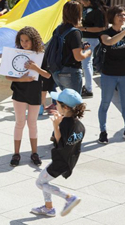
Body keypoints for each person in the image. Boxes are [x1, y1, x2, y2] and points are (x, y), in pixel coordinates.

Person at [31, 88, 85, 217]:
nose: (55, 104)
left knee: (40, 183)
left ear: (65, 107)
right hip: (68, 160)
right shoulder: (80, 125)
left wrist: (56, 126)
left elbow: (59, 143)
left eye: (57, 103)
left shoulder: (62, 125)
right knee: (44, 181)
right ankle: (48, 208)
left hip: (60, 161)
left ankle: (69, 197)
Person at [5, 26, 51, 167]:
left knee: (32, 123)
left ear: (34, 41)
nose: (24, 43)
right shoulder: (15, 53)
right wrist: (21, 79)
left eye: (27, 41)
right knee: (20, 123)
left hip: (35, 92)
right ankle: (16, 153)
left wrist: (36, 68)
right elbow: (8, 76)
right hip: (19, 91)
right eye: (22, 40)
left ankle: (34, 153)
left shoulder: (40, 55)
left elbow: (48, 75)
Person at [97, 5, 125, 144]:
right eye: (120, 15)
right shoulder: (105, 33)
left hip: (124, 75)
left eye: (124, 15)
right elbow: (109, 42)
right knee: (105, 103)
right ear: (112, 17)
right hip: (108, 74)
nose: (123, 17)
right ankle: (103, 131)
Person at [51, 1, 92, 94]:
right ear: (78, 14)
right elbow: (78, 57)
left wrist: (80, 47)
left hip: (57, 71)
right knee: (74, 104)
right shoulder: (75, 32)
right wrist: (88, 53)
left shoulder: (58, 29)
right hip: (70, 72)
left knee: (66, 103)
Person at [78, 0, 107, 97]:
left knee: (86, 64)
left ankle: (88, 88)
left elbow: (101, 28)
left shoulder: (97, 11)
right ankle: (88, 87)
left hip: (92, 39)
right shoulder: (85, 9)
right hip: (86, 38)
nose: (81, 1)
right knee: (86, 64)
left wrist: (84, 28)